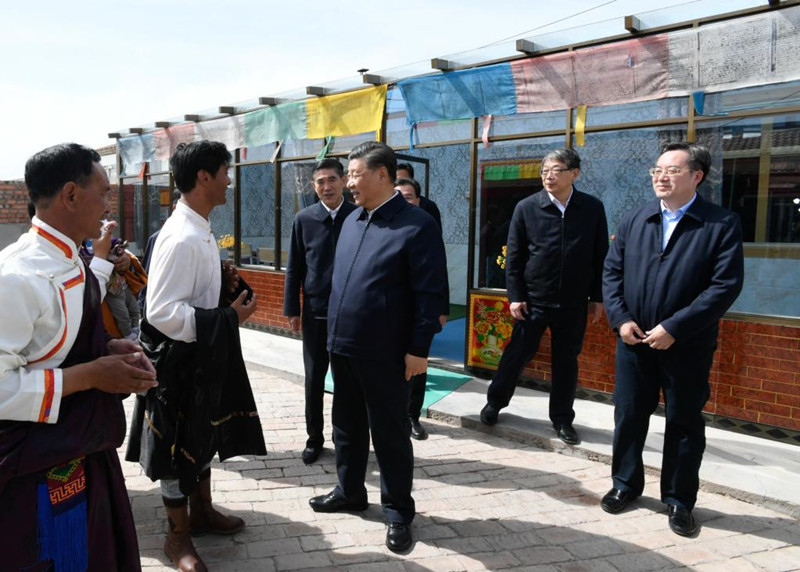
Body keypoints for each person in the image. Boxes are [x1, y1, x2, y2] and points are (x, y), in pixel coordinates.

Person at [0, 143, 158, 571]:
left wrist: (108, 350)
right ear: (71, 195)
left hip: (84, 452)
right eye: (104, 193)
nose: (109, 207)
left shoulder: (73, 259)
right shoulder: (16, 277)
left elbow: (60, 347)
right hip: (38, 468)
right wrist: (91, 375)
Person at [126, 140, 267, 571]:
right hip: (178, 364)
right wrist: (226, 317)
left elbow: (194, 293)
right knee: (175, 448)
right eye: (225, 171)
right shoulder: (181, 237)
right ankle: (177, 538)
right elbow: (161, 312)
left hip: (201, 358)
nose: (229, 179)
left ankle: (202, 511)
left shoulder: (200, 228)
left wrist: (225, 290)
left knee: (201, 436)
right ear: (203, 177)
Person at [309, 142, 447, 554]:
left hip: (387, 352)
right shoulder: (352, 221)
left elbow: (430, 292)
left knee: (389, 433)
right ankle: (350, 491)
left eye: (354, 174)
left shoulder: (416, 225)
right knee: (346, 427)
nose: (348, 183)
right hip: (344, 346)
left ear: (382, 175)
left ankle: (399, 511)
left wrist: (418, 349)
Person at [601, 142, 744, 537]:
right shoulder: (636, 219)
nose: (660, 177)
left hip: (687, 345)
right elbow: (611, 273)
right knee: (629, 415)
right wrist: (621, 320)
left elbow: (724, 287)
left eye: (672, 170)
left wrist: (675, 328)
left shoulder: (720, 223)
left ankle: (679, 500)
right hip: (633, 341)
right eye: (656, 170)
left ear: (696, 176)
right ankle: (625, 484)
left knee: (683, 422)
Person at [479, 148, 609, 446]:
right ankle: (495, 403)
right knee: (516, 355)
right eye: (544, 171)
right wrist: (515, 296)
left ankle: (562, 419)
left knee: (566, 362)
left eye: (556, 170)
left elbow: (600, 255)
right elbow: (514, 257)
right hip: (533, 301)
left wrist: (598, 297)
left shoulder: (591, 208)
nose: (548, 176)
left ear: (574, 173)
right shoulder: (527, 207)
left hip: (574, 302)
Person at [284, 158, 356, 464]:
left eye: (331, 180)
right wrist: (292, 309)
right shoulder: (304, 219)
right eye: (320, 182)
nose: (326, 187)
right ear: (314, 187)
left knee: (347, 382)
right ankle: (314, 438)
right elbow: (295, 268)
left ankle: (347, 440)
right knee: (314, 379)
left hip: (350, 315)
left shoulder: (358, 217)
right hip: (315, 313)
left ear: (342, 181)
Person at [395, 177, 449, 440]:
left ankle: (412, 417)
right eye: (398, 196)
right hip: (390, 314)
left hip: (420, 313)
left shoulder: (426, 227)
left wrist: (442, 308)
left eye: (408, 197)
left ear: (418, 201)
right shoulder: (382, 225)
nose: (403, 201)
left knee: (417, 366)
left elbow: (440, 273)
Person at [396, 162, 441, 229]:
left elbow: (435, 234)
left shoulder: (428, 205)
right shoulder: (388, 203)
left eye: (403, 180)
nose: (400, 183)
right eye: (396, 180)